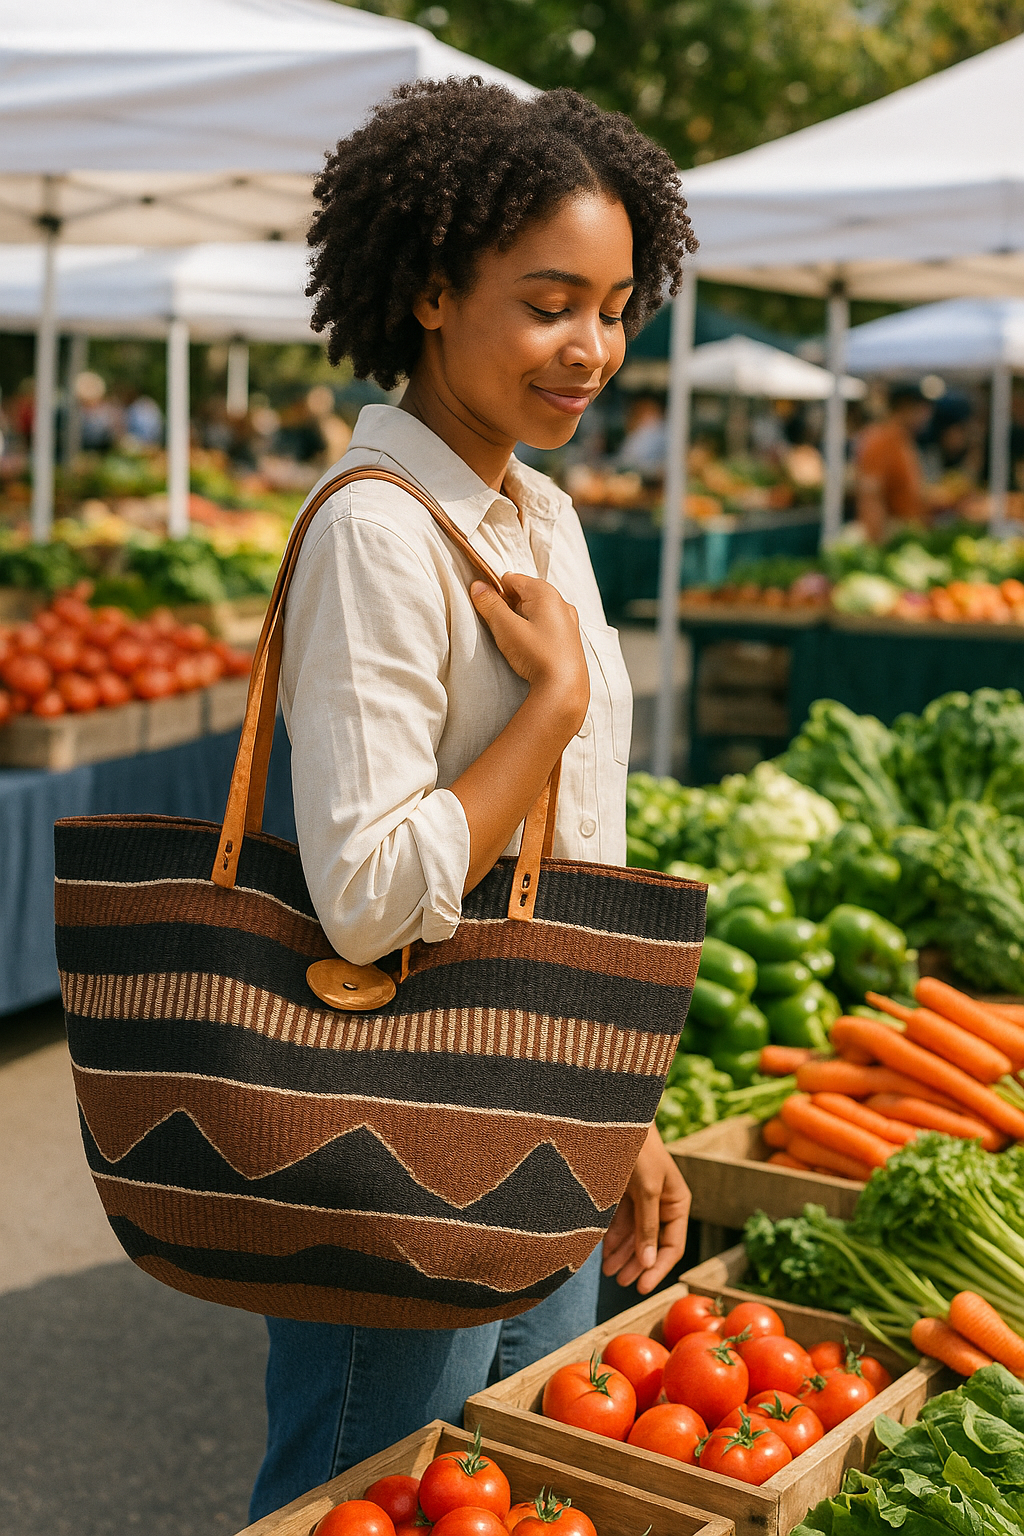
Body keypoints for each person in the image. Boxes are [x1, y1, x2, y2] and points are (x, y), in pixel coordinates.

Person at [248, 78, 697, 1521]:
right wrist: (552, 709)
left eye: (620, 306)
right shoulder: (379, 531)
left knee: (498, 1498)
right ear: (433, 291)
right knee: (362, 1498)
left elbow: (577, 844)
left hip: (536, 1126)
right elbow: (371, 896)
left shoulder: (542, 515)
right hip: (396, 1141)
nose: (595, 350)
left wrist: (614, 1100)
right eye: (552, 302)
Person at [855, 383, 932, 542]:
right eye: (921, 410)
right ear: (905, 408)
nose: (926, 417)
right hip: (892, 535)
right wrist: (877, 541)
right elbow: (870, 496)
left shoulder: (903, 440)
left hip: (909, 532)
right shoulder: (880, 441)